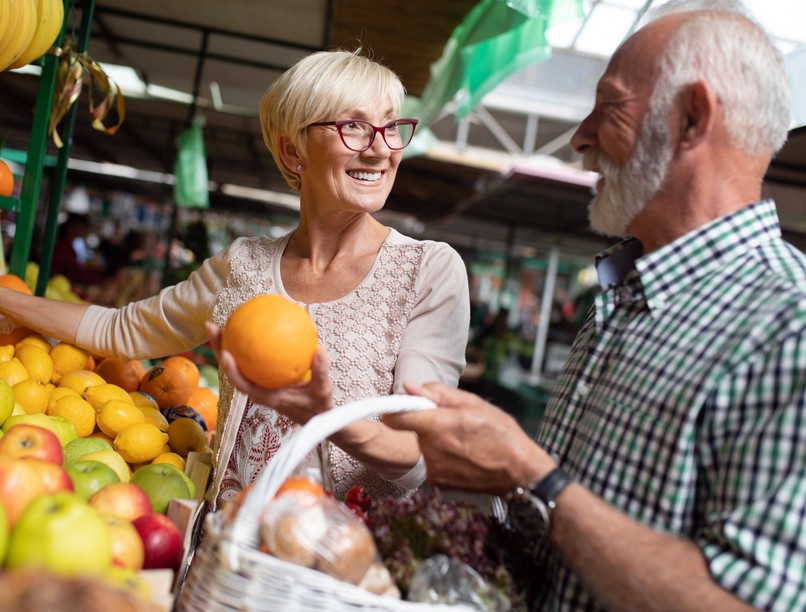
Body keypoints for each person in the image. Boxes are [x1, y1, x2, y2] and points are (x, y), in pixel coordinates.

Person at [383, 1, 806, 610]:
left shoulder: (789, 329)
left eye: (608, 108)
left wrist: (528, 473)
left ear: (691, 119)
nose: (580, 137)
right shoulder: (623, 296)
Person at [0, 48, 470, 510]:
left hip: (340, 566)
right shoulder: (242, 266)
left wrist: (327, 418)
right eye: (353, 126)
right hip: (223, 557)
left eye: (390, 127)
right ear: (293, 151)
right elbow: (121, 329)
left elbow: (417, 457)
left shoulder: (427, 271)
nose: (380, 147)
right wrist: (6, 299)